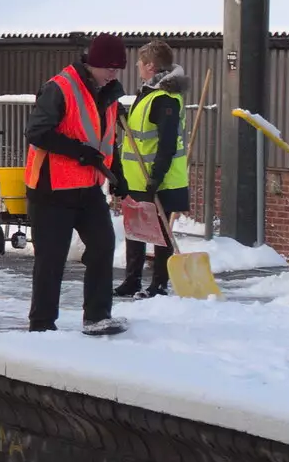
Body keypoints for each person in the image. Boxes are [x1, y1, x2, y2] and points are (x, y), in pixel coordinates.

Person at [24, 33, 127, 335]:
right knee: (51, 258)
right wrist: (78, 150)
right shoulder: (60, 87)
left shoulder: (108, 94)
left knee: (103, 244)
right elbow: (37, 132)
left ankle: (97, 316)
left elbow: (108, 140)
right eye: (108, 67)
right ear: (92, 63)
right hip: (50, 187)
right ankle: (41, 325)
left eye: (118, 68)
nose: (113, 73)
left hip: (87, 187)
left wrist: (118, 175)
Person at [113, 40, 190, 299]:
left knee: (160, 233)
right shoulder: (147, 92)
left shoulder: (165, 98)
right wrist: (122, 119)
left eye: (139, 61)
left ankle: (159, 284)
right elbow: (141, 134)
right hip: (137, 177)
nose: (136, 65)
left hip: (161, 178)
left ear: (150, 65)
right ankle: (132, 280)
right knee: (135, 229)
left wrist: (157, 175)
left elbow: (166, 142)